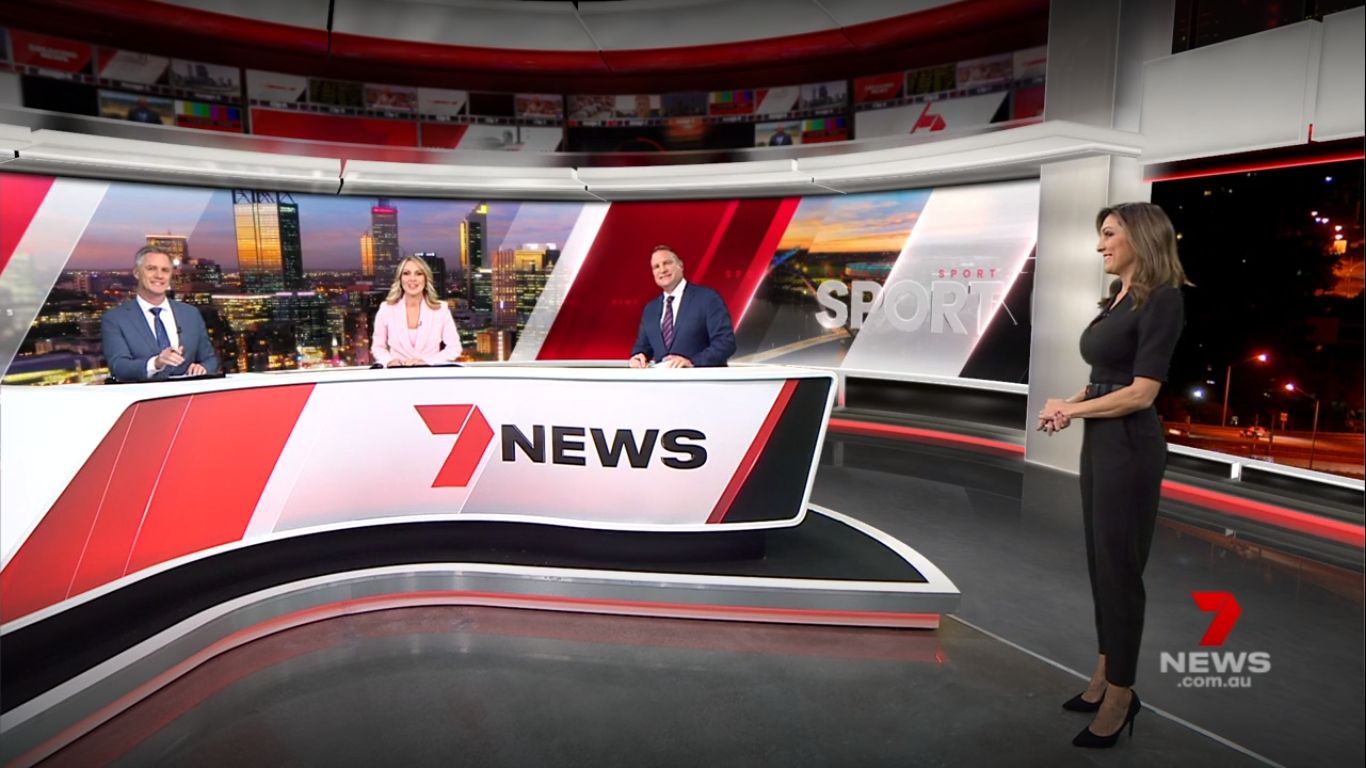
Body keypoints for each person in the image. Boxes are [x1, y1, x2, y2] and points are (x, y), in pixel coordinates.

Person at [1037, 202, 1188, 749]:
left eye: (1108, 234)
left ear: (1141, 238)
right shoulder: (1117, 299)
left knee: (1121, 569)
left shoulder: (1164, 299)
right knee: (1101, 563)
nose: (1100, 245)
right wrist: (1067, 403)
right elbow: (1105, 378)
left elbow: (1142, 393)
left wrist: (1073, 410)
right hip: (1101, 442)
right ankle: (1104, 675)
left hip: (1130, 446)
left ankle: (1122, 695)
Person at [101, 246, 220, 381]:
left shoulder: (190, 314)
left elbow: (210, 359)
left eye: (165, 270)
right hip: (145, 393)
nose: (159, 275)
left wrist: (203, 368)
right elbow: (119, 367)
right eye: (151, 268)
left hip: (188, 392)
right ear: (137, 273)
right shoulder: (115, 319)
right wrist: (156, 363)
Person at [628, 245, 736, 368]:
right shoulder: (650, 309)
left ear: (680, 265)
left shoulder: (708, 298)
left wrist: (692, 362)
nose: (662, 270)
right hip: (663, 380)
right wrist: (637, 357)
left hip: (701, 378)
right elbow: (642, 348)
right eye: (656, 267)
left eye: (667, 263)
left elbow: (726, 343)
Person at [371, 256, 462, 366]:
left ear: (426, 279)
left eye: (418, 274)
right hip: (397, 373)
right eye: (406, 273)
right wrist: (389, 361)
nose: (412, 279)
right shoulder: (386, 309)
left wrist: (427, 362)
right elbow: (378, 347)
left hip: (429, 372)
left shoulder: (441, 310)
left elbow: (454, 348)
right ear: (400, 279)